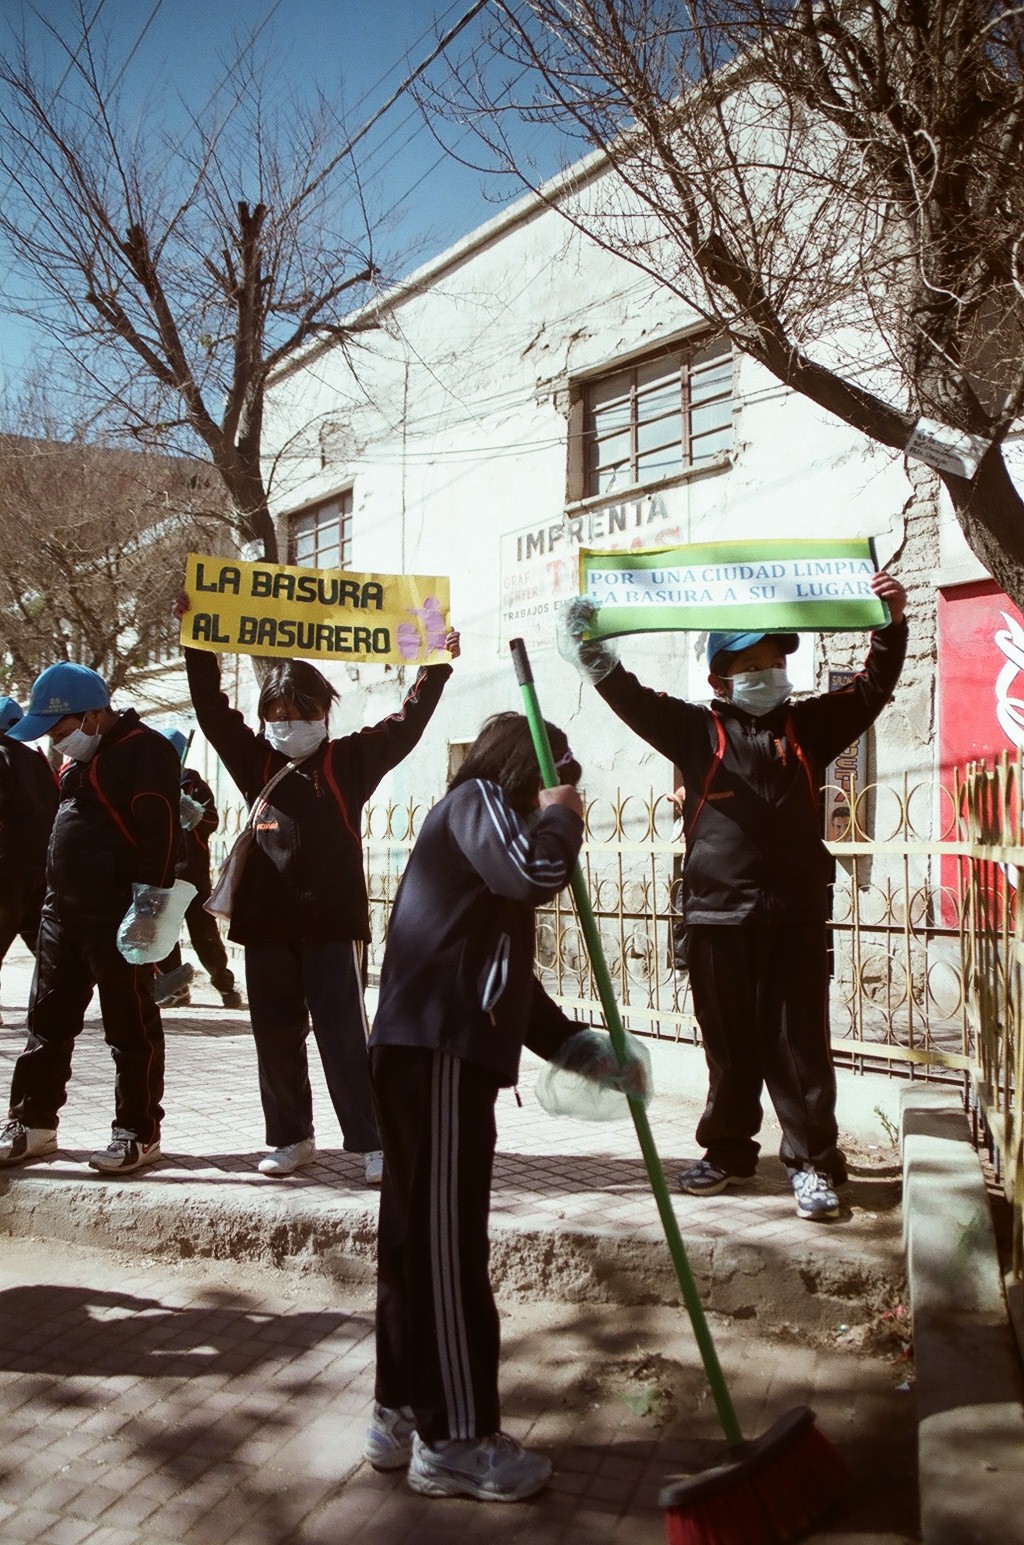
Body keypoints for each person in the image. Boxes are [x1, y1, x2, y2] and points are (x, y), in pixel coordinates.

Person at [559, 570, 908, 1222]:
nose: (767, 673)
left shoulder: (809, 728)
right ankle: (727, 1153)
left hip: (796, 917)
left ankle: (810, 1163)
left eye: (775, 662)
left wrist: (890, 626)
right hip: (716, 918)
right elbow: (628, 695)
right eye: (750, 664)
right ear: (721, 678)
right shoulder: (696, 732)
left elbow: (871, 690)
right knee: (728, 1047)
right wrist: (591, 650)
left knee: (800, 1046)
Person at [364, 712, 646, 1502]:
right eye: (552, 783)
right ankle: (455, 1437)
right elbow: (536, 871)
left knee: (416, 1239)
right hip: (439, 1050)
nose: (556, 803)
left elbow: (513, 986)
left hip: (429, 1047)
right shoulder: (479, 800)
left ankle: (399, 1405)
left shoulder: (481, 856)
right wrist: (560, 816)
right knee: (449, 1248)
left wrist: (585, 1054)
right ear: (528, 769)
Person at [176, 591, 460, 1183]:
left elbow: (407, 725)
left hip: (333, 926)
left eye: (300, 713)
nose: (288, 724)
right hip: (267, 925)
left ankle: (372, 1141)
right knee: (275, 1037)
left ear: (323, 715)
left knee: (344, 1038)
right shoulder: (254, 760)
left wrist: (436, 664)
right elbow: (211, 710)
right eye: (276, 714)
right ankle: (290, 1138)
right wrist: (196, 639)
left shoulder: (351, 760)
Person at [0, 663, 182, 1173]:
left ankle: (138, 1131)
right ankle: (33, 1123)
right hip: (62, 913)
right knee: (47, 1024)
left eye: (61, 731)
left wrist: (148, 911)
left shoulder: (145, 751)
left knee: (131, 1028)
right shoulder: (80, 760)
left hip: (119, 917)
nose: (58, 743)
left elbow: (163, 837)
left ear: (95, 714)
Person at [153, 728, 243, 1011]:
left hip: (191, 874)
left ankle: (224, 984)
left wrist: (185, 805)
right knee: (164, 934)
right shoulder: (152, 782)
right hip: (163, 872)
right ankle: (176, 988)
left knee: (204, 936)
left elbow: (210, 821)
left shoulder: (192, 784)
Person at [0, 696, 59, 1027]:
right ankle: (53, 1002)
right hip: (42, 864)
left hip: (6, 863)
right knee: (43, 940)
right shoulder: (37, 760)